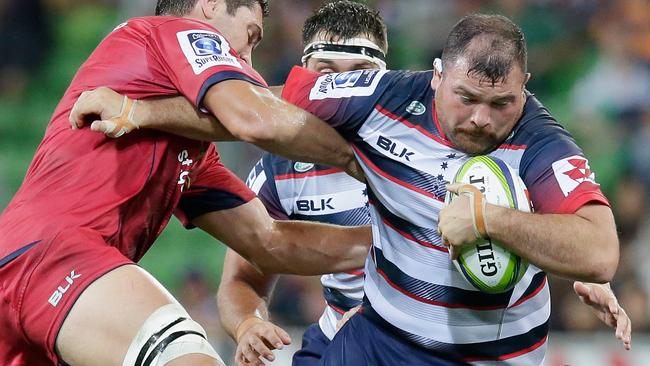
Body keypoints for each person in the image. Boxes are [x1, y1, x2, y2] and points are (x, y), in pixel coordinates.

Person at [70, 12, 632, 366]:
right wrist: (140, 111)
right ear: (436, 74)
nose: (482, 120)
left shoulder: (541, 143)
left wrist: (495, 224)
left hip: (484, 355)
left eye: (501, 104)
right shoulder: (370, 107)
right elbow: (253, 111)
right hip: (374, 336)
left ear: (525, 92)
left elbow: (599, 251)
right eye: (467, 98)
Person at [0, 1, 375, 365]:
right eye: (250, 35)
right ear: (210, 5)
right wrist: (357, 156)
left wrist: (399, 238)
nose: (247, 59)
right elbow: (255, 117)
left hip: (28, 272)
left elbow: (269, 242)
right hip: (54, 253)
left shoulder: (188, 153)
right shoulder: (173, 30)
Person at [217, 3, 386, 365]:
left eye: (360, 74)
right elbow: (241, 280)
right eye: (326, 74)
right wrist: (248, 323)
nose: (342, 92)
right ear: (302, 78)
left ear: (384, 78)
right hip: (337, 331)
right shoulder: (279, 172)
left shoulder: (430, 147)